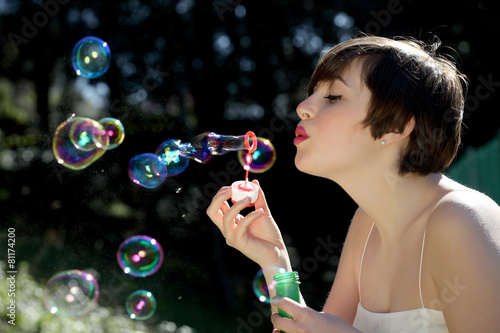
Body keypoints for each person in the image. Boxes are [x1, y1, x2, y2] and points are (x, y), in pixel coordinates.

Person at [206, 35, 500, 332]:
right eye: (312, 93)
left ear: (397, 126)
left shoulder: (462, 219)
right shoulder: (368, 223)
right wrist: (275, 261)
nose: (303, 107)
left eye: (334, 97)